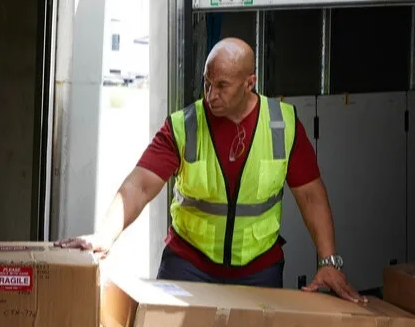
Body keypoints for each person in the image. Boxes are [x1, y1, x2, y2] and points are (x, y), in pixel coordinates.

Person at [58, 37, 367, 303]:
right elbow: (139, 185)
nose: (210, 95)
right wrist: (106, 235)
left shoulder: (282, 124)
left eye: (222, 86)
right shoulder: (184, 126)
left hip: (258, 270)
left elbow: (311, 195)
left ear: (250, 83)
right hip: (188, 264)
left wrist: (328, 260)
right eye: (206, 83)